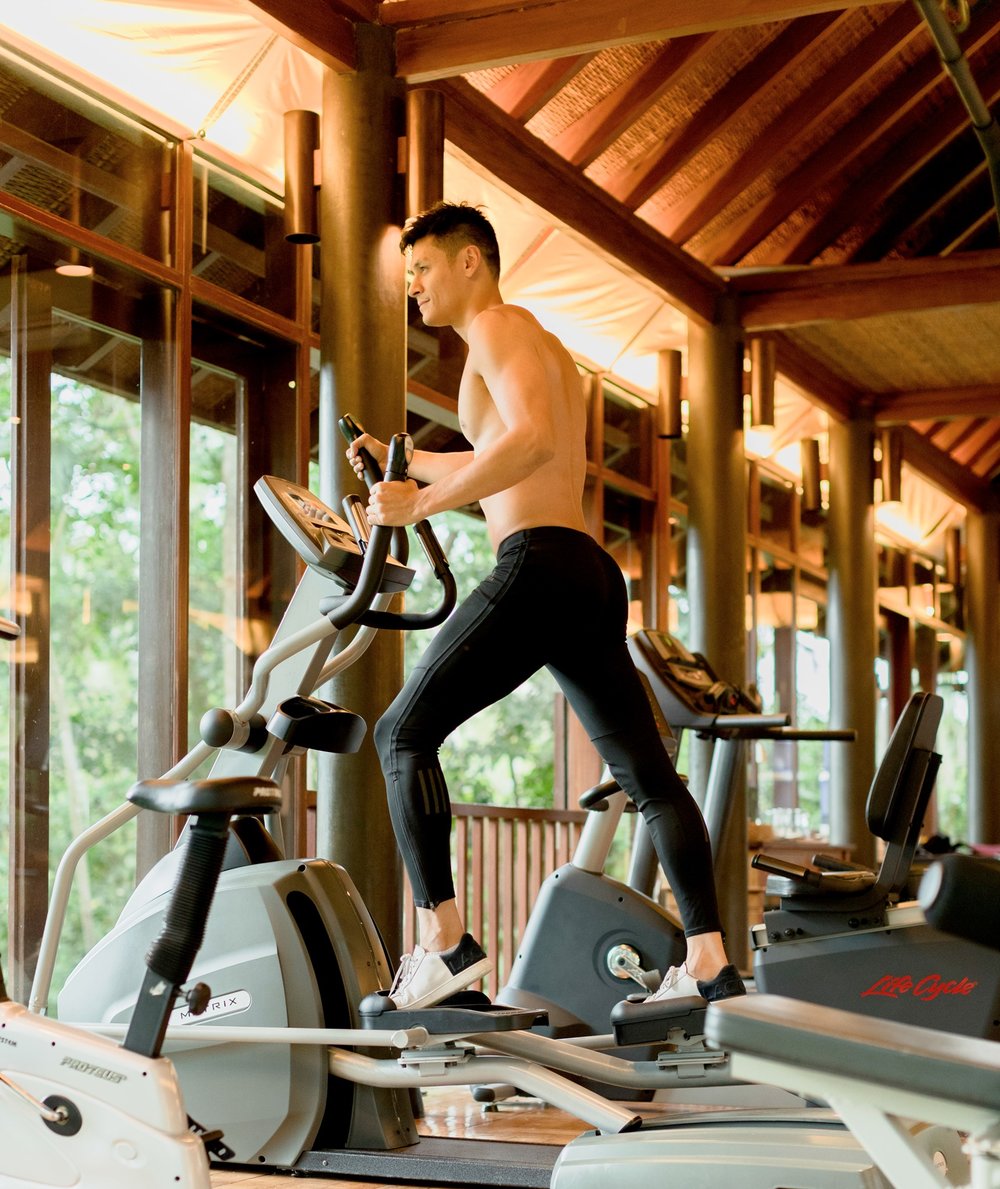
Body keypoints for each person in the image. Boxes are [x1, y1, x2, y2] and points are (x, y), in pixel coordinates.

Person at [346, 200, 746, 1012]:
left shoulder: (496, 327)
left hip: (539, 563)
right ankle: (710, 959)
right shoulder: (539, 346)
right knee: (650, 777)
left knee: (400, 732)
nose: (414, 286)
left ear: (470, 262)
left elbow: (528, 443)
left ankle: (444, 941)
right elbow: (508, 452)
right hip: (583, 570)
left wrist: (414, 509)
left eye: (421, 268)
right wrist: (408, 462)